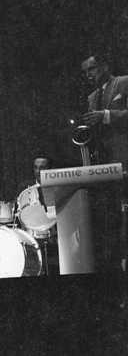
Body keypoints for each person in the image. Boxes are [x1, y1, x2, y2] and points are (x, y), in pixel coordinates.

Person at [80, 54, 128, 271]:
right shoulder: (91, 98)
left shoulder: (124, 82)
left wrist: (106, 115)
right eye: (86, 72)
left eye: (92, 69)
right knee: (111, 216)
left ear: (105, 66)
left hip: (123, 157)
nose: (89, 75)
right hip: (103, 164)